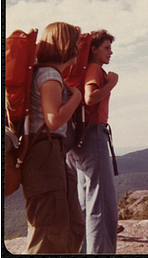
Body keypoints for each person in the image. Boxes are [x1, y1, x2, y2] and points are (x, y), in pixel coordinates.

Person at [20, 22, 85, 254]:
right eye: (76, 42)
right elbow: (54, 120)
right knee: (49, 229)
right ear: (66, 45)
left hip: (49, 153)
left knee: (68, 225)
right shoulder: (49, 74)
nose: (79, 47)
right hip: (45, 154)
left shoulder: (45, 73)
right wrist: (76, 97)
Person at [66, 29, 119, 254]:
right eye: (106, 48)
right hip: (94, 136)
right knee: (102, 203)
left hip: (78, 139)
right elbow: (90, 98)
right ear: (94, 49)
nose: (110, 52)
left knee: (86, 202)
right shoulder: (95, 68)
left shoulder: (83, 70)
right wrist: (111, 84)